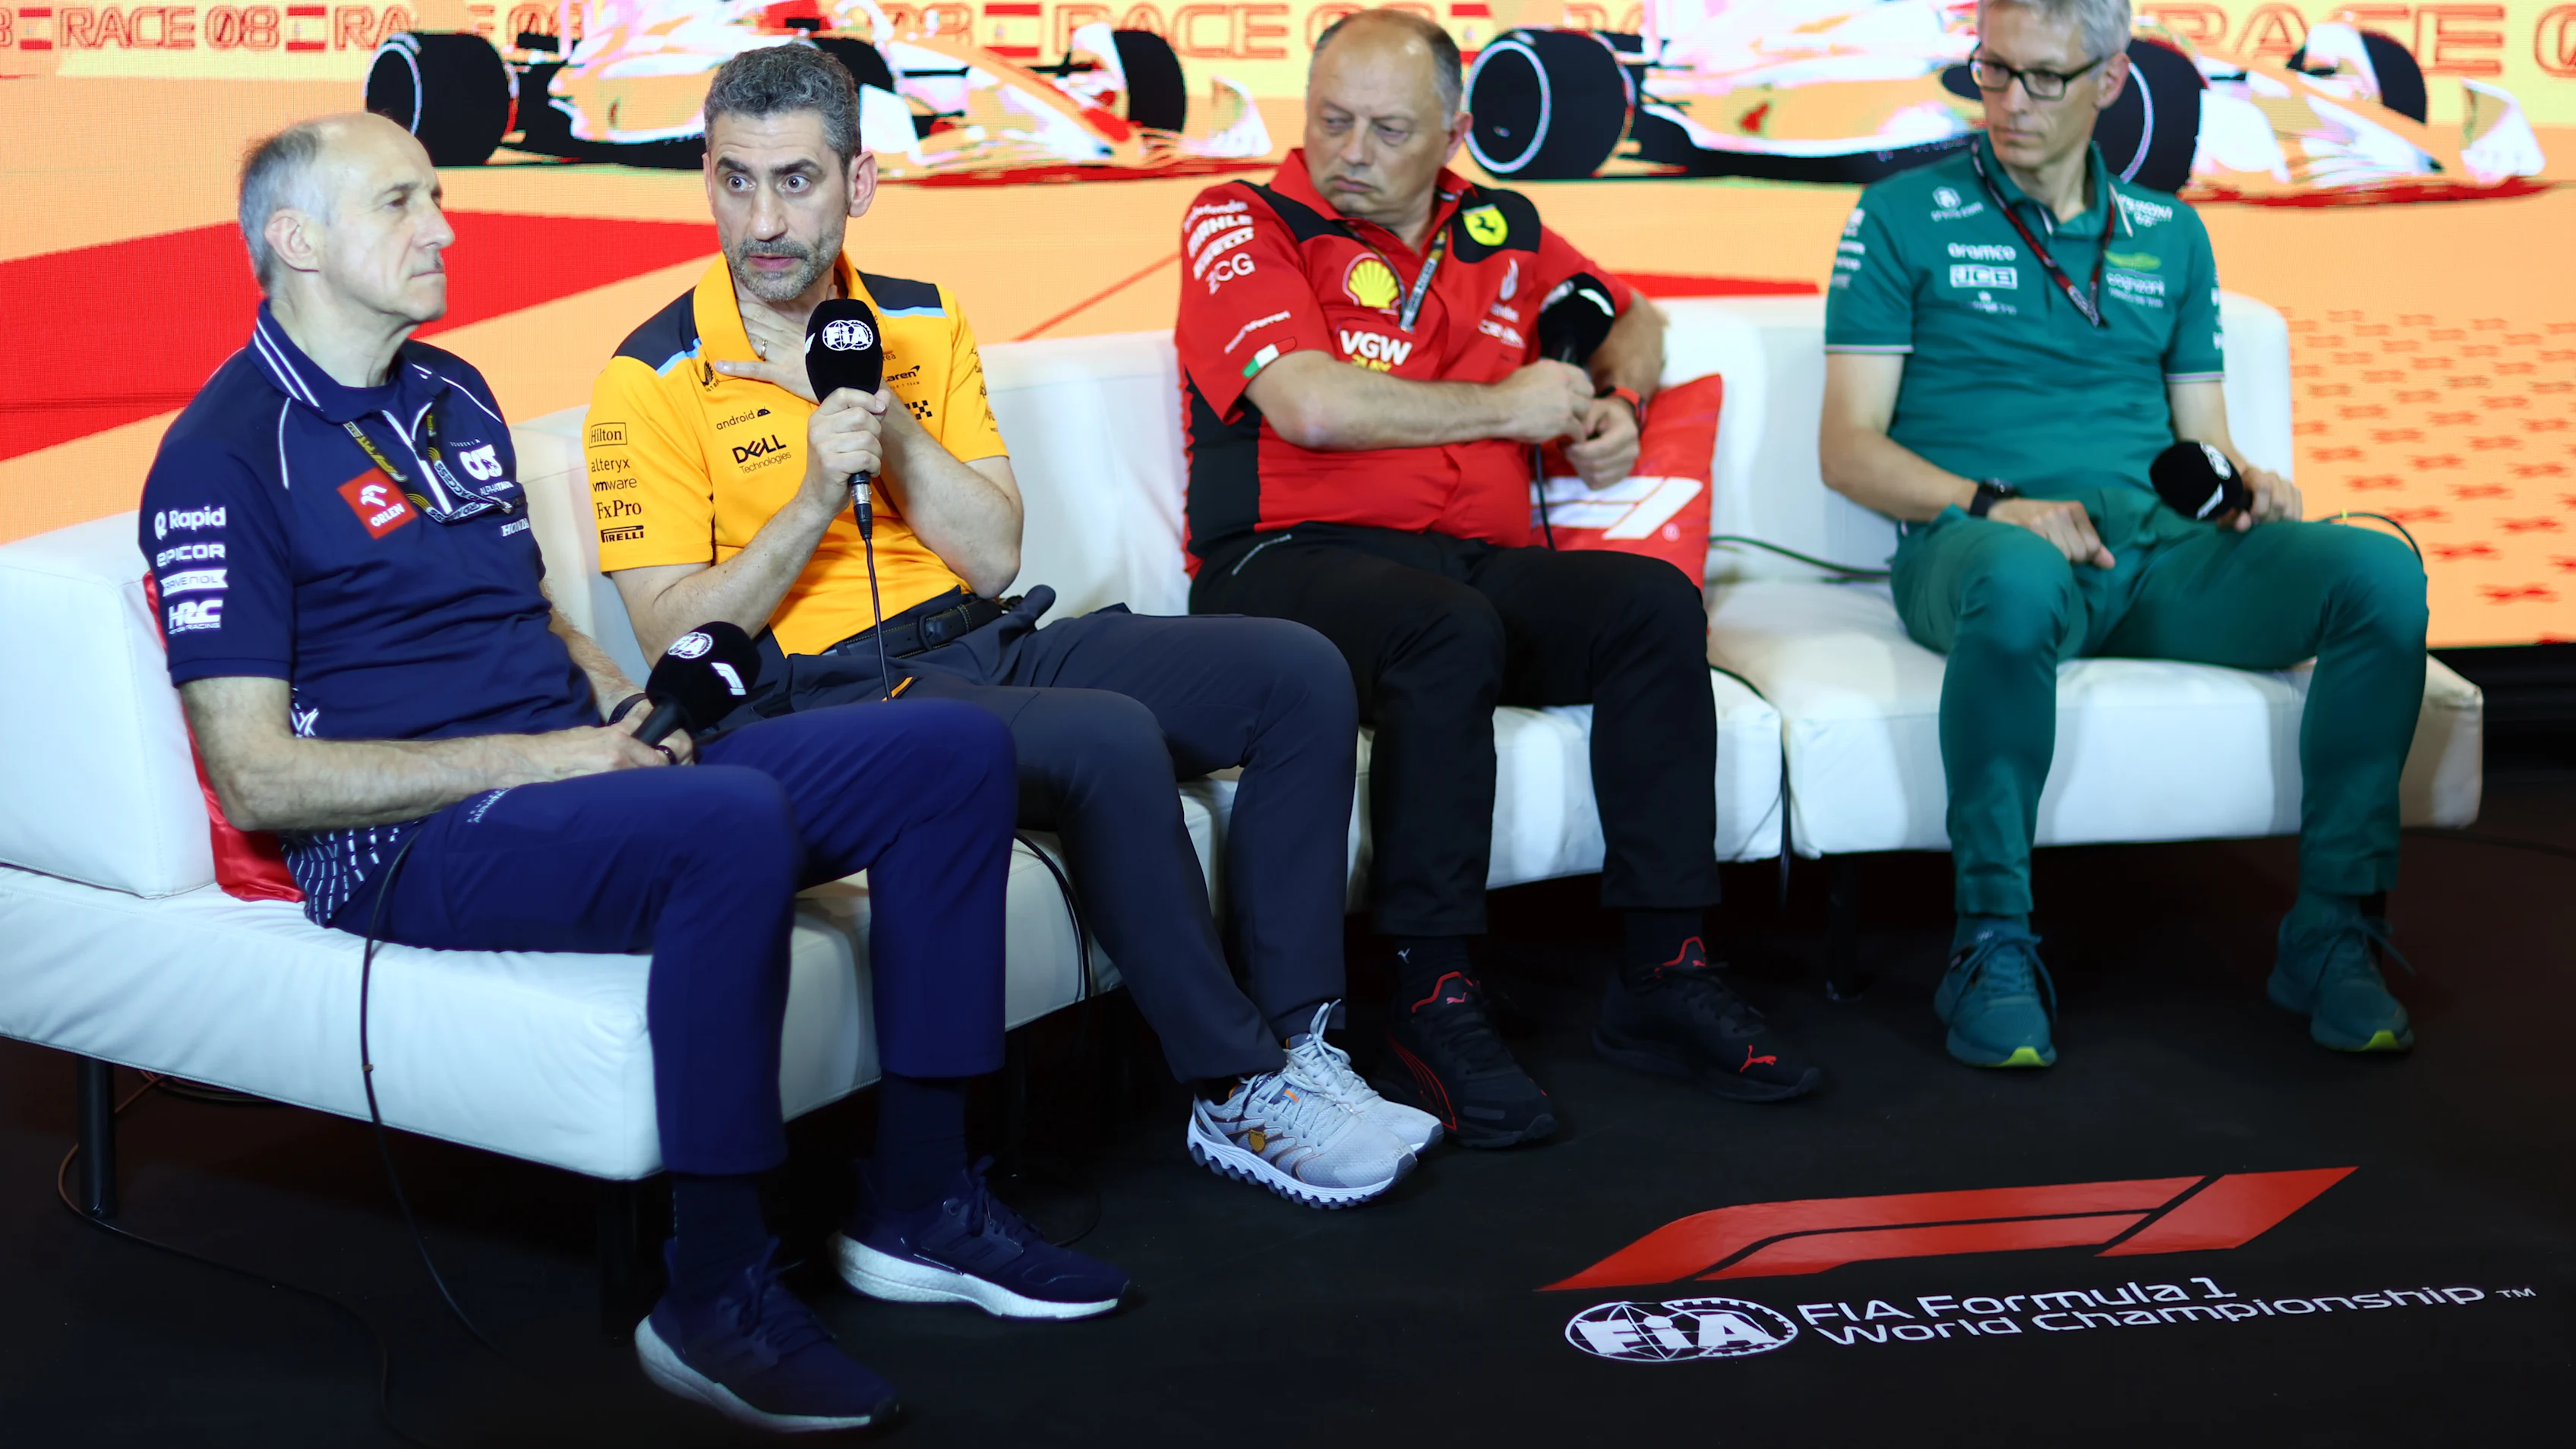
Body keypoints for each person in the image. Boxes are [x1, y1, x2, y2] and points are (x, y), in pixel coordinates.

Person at [150, 112, 1126, 1436]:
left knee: (950, 749)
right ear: (297, 242)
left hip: (579, 769)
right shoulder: (220, 457)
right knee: (727, 822)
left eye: (441, 195)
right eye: (403, 205)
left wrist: (622, 700)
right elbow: (258, 778)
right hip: (410, 839)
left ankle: (921, 1203)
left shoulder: (450, 391)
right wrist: (565, 754)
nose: (446, 227)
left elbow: (523, 614)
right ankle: (713, 1295)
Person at [586, 45, 1431, 1209]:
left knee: (1296, 672)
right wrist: (804, 503)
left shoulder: (923, 321)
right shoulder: (649, 375)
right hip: (819, 693)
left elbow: (993, 552)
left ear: (859, 184)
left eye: (796, 182)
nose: (765, 220)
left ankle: (1300, 1046)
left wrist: (885, 426)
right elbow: (670, 635)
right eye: (736, 181)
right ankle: (1237, 1090)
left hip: (982, 634)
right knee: (1104, 737)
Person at [1175, 11, 1821, 1148]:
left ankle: (1665, 966)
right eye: (1330, 120)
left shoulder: (1497, 225)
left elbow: (1638, 318)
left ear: (1454, 132)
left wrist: (1614, 401)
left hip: (1466, 570)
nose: (1350, 152)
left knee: (1649, 606)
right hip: (1283, 567)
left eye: (1386, 129)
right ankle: (1431, 990)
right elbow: (1309, 403)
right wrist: (1508, 407)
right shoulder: (1244, 217)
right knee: (1447, 630)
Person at [1819, 0, 2430, 1067]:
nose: (2011, 102)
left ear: (2110, 79)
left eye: (2046, 78)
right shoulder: (1900, 216)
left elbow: (2204, 440)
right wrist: (1990, 505)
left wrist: (2247, 484)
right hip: (1974, 548)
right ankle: (1992, 942)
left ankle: (2332, 929)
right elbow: (1850, 451)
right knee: (2014, 574)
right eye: (1994, 71)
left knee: (2377, 571)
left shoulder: (2172, 231)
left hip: (2153, 557)